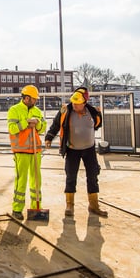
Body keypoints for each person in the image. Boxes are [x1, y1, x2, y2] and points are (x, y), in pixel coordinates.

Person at [44, 87, 108, 217]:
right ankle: (69, 205)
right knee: (70, 176)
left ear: (84, 103)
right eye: (73, 102)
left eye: (77, 103)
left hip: (89, 150)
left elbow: (98, 124)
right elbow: (56, 125)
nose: (75, 105)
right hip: (72, 150)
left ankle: (94, 205)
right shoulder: (65, 111)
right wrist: (49, 137)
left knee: (92, 176)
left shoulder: (93, 112)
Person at [6, 85, 46, 220]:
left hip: (35, 150)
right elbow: (12, 129)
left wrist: (38, 123)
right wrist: (26, 123)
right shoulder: (14, 110)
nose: (36, 101)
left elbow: (42, 129)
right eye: (34, 99)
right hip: (21, 150)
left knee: (36, 180)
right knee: (21, 180)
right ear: (27, 98)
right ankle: (17, 209)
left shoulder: (37, 111)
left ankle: (36, 207)